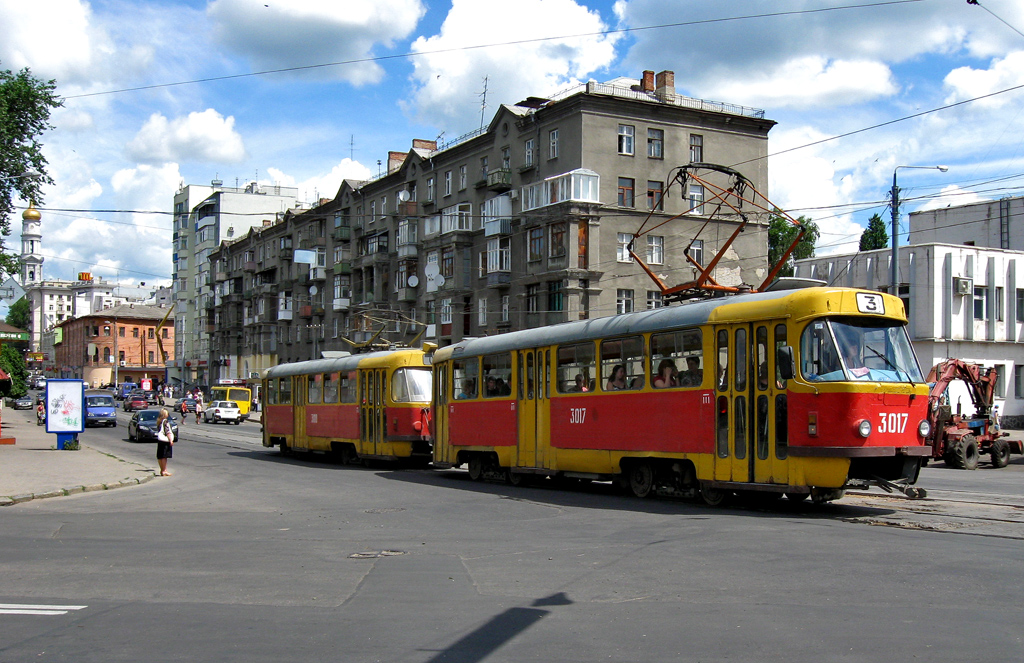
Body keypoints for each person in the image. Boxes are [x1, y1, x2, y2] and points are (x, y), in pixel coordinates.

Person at [155, 408, 174, 476]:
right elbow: (167, 431)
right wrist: (171, 440)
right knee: (164, 456)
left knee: (160, 456)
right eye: (167, 413)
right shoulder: (165, 421)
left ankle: (162, 470)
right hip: (165, 440)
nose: (168, 415)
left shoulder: (159, 421)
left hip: (160, 441)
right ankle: (164, 470)